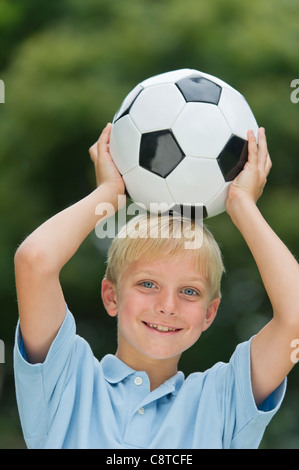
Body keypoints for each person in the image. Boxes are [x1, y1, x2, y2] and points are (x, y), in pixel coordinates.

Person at [13, 124, 299, 449]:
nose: (168, 305)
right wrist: (110, 193)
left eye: (189, 291)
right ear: (111, 296)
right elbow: (34, 262)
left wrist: (242, 203)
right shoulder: (66, 379)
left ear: (210, 313)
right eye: (148, 284)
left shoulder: (223, 399)